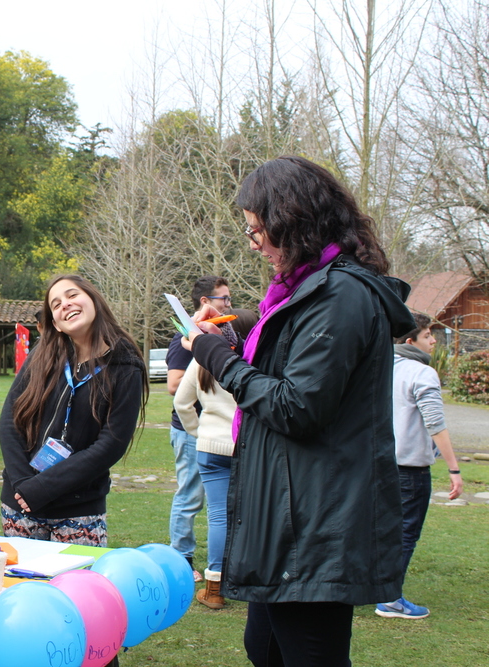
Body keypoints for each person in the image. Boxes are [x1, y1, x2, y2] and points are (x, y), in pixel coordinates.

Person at [183, 156, 414, 666]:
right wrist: (232, 335)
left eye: (258, 230)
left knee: (308, 655)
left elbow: (296, 406)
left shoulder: (341, 295)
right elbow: (290, 360)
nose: (254, 244)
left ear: (294, 221)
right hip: (291, 508)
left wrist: (216, 357)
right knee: (264, 647)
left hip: (317, 517)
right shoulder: (308, 291)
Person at [0, 275, 147, 547]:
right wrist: (23, 483)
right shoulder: (42, 354)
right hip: (21, 502)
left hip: (79, 510)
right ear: (55, 323)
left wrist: (45, 486)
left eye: (72, 295)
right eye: (56, 304)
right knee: (23, 576)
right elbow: (10, 419)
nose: (65, 304)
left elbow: (111, 444)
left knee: (75, 577)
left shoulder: (126, 366)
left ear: (94, 300)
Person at [376, 313, 463, 620]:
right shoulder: (422, 372)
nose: (434, 341)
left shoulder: (377, 367)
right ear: (410, 341)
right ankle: (390, 599)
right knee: (404, 533)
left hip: (375, 465)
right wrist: (454, 469)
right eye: (428, 335)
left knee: (374, 531)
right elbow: (435, 422)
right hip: (409, 469)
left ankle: (368, 590)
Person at [173, 308, 257, 609]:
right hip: (246, 446)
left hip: (211, 448)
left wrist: (199, 433)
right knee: (251, 514)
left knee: (219, 515)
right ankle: (249, 580)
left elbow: (182, 403)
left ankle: (215, 587)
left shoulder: (203, 359)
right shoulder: (254, 361)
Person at [167, 275, 231, 582]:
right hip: (191, 429)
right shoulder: (187, 338)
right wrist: (205, 367)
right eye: (224, 299)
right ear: (205, 302)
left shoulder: (217, 333)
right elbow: (174, 385)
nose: (228, 305)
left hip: (211, 431)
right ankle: (181, 557)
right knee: (190, 496)